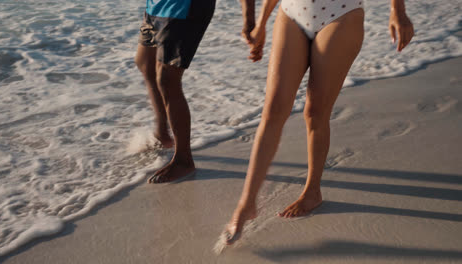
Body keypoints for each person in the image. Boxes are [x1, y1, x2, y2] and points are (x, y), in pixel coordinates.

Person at [223, 0, 414, 243]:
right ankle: (247, 203)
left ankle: (312, 190)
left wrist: (398, 11)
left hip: (341, 13)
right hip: (291, 11)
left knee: (315, 112)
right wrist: (261, 23)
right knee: (273, 110)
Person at [135, 0, 255, 183]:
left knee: (167, 79)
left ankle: (183, 160)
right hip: (156, 6)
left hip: (185, 8)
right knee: (144, 62)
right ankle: (163, 133)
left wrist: (249, 20)